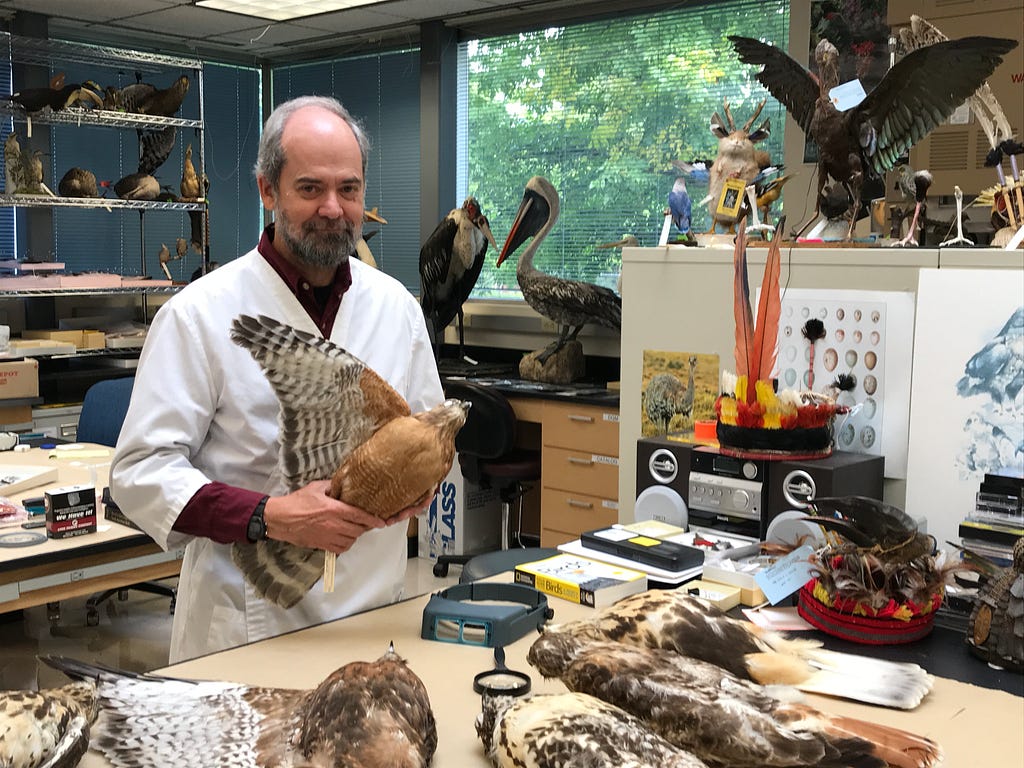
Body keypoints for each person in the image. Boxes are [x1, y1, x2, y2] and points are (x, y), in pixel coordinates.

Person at [111, 96, 443, 663]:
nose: (334, 209)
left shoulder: (397, 309)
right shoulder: (199, 314)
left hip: (372, 618)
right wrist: (269, 516)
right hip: (245, 626)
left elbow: (429, 441)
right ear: (268, 190)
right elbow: (139, 474)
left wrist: (417, 487)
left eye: (350, 189)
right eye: (310, 189)